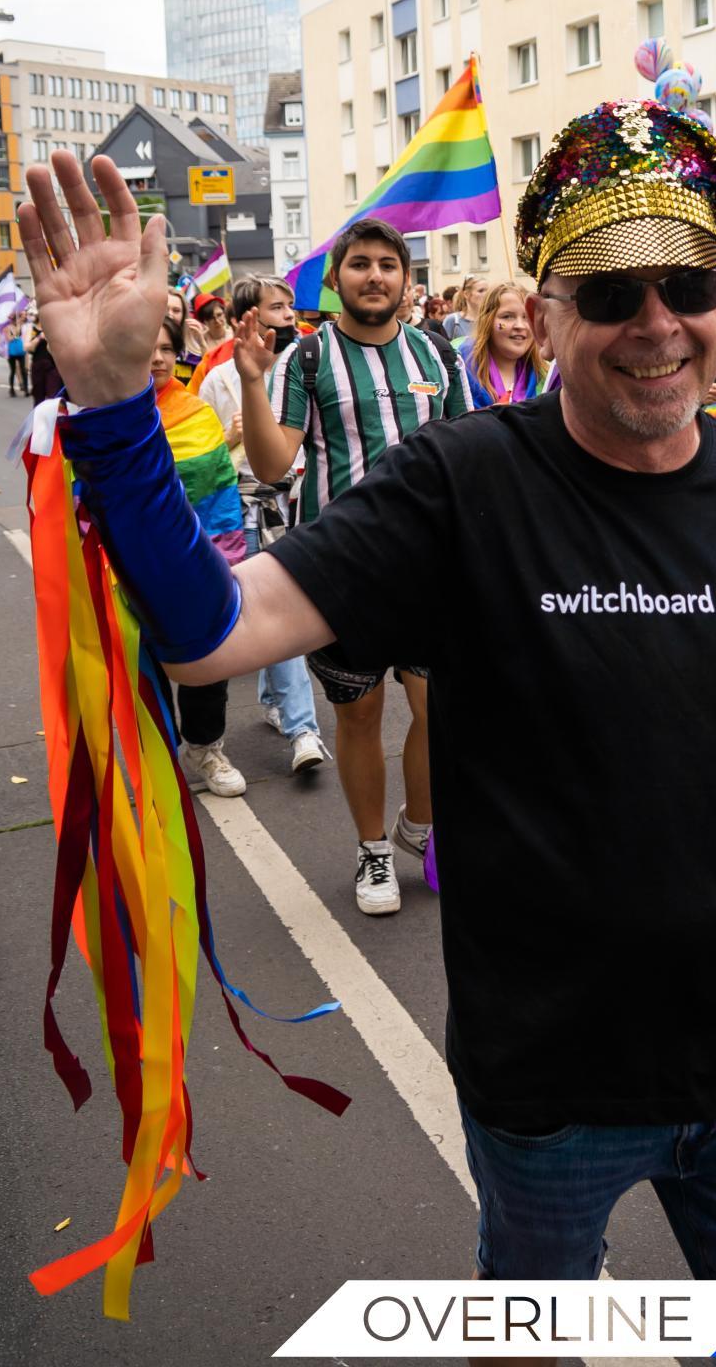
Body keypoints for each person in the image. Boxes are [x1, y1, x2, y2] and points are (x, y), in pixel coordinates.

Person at [19, 130, 716, 1360]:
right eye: (610, 293)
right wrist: (117, 408)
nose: (658, 324)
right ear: (544, 315)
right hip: (548, 1088)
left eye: (689, 287)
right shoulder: (460, 481)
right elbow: (206, 635)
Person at [234, 217, 474, 916]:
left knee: (439, 707)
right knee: (361, 713)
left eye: (387, 265)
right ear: (336, 278)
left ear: (406, 281)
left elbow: (465, 448)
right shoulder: (305, 361)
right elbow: (275, 465)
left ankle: (418, 827)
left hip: (429, 566)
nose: (375, 276)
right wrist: (252, 381)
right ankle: (373, 852)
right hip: (342, 566)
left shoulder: (437, 354)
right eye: (360, 264)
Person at [197, 275, 329, 775]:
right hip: (245, 507)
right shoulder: (217, 381)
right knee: (280, 613)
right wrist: (230, 438)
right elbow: (203, 462)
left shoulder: (302, 365)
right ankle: (303, 730)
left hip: (296, 503)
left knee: (279, 609)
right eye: (276, 306)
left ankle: (274, 700)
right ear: (244, 319)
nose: (289, 314)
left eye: (290, 305)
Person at [149, 317, 247, 797]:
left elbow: (219, 491)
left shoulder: (195, 413)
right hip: (128, 566)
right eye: (147, 348)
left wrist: (221, 563)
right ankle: (157, 757)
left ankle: (205, 748)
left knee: (208, 656)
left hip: (196, 560)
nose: (158, 358)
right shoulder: (100, 416)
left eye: (167, 348)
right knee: (143, 664)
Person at [461, 281, 547, 406]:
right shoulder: (459, 369)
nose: (520, 326)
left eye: (527, 317)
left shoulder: (546, 377)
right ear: (488, 321)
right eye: (507, 317)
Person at [442, 275, 487, 343]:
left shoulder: (491, 319)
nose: (486, 294)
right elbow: (442, 348)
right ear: (466, 294)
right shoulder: (453, 320)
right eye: (481, 291)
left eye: (488, 291)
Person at [4, 316, 28, 395]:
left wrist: (19, 328)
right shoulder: (7, 328)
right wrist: (15, 334)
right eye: (14, 319)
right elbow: (8, 339)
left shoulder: (21, 326)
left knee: (23, 370)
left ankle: (26, 389)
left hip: (21, 351)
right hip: (12, 352)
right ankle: (11, 389)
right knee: (13, 370)